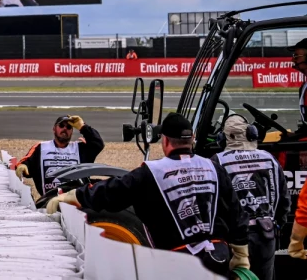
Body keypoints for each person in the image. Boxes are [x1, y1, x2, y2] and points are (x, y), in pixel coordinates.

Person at [47, 113, 249, 277]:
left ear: (165, 140)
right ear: (193, 139)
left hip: (177, 265)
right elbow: (236, 211)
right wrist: (241, 253)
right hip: (218, 259)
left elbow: (112, 192)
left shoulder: (152, 172)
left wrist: (72, 196)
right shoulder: (214, 168)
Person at [212, 114, 285, 280]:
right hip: (266, 233)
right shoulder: (269, 159)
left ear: (223, 139)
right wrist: (276, 226)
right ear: (251, 134)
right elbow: (284, 200)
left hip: (235, 239)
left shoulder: (217, 161)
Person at [14, 114, 104, 200]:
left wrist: (82, 127)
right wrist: (23, 165)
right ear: (54, 129)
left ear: (72, 132)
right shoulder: (41, 147)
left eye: (69, 127)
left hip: (76, 202)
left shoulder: (80, 148)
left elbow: (98, 144)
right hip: (49, 201)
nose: (65, 128)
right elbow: (27, 162)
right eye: (61, 125)